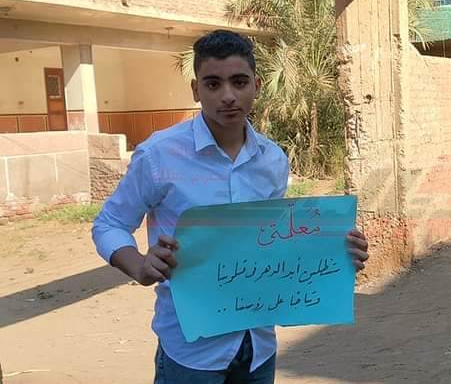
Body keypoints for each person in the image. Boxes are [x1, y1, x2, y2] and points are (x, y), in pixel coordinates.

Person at [92, 30, 370, 384]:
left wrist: (334, 254)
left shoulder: (272, 160)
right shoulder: (159, 155)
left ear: (257, 85)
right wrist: (140, 267)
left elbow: (274, 242)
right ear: (196, 90)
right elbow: (109, 224)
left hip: (258, 347)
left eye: (239, 82)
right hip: (191, 352)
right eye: (213, 84)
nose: (227, 96)